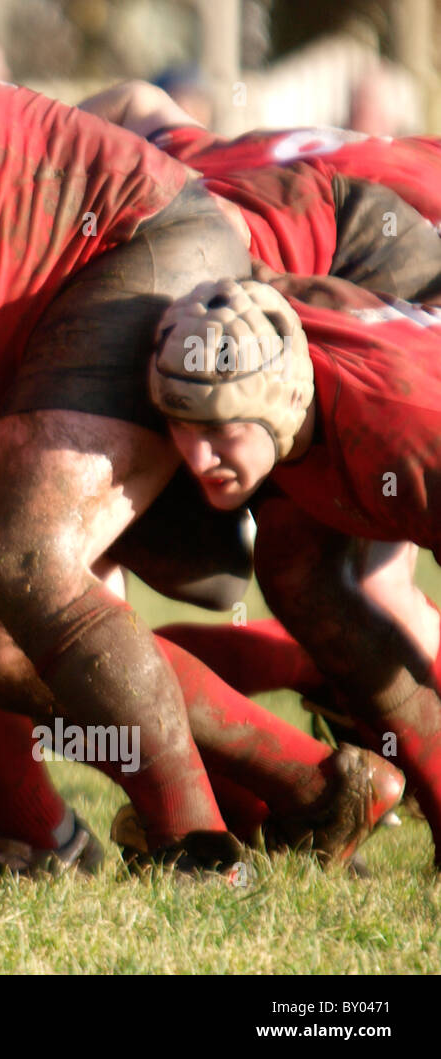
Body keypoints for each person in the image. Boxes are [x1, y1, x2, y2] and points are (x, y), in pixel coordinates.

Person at [148, 271, 441, 867]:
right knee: (293, 569)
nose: (197, 456)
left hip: (410, 422)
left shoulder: (405, 439)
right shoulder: (264, 329)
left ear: (283, 399)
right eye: (182, 424)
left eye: (220, 430)